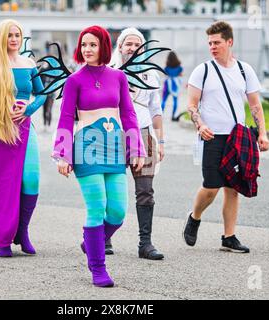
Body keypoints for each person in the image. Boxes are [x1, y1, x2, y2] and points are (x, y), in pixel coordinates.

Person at [52, 25, 146, 287]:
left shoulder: (118, 77)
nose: (87, 49)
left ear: (103, 46)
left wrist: (136, 147)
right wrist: (63, 154)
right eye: (84, 45)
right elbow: (66, 117)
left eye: (92, 44)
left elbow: (128, 114)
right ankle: (98, 268)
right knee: (96, 208)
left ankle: (91, 241)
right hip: (87, 149)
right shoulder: (74, 80)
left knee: (117, 212)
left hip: (115, 147)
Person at [183, 21, 269, 253]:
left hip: (237, 137)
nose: (212, 46)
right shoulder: (203, 70)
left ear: (229, 42)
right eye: (210, 43)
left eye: (217, 42)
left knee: (233, 188)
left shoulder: (244, 70)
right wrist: (199, 124)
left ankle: (228, 237)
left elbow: (255, 106)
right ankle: (195, 216)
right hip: (212, 137)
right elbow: (191, 106)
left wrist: (263, 133)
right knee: (211, 188)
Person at [0, 19, 47, 258]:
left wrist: (29, 108)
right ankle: (3, 238)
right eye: (9, 35)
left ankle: (22, 232)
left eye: (17, 35)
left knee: (31, 179)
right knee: (1, 185)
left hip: (24, 128)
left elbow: (43, 94)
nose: (14, 39)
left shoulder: (29, 63)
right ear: (2, 38)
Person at [108, 27, 165, 260]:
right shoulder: (109, 71)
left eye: (136, 44)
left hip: (142, 134)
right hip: (114, 134)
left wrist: (160, 141)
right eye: (128, 44)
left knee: (145, 190)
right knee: (111, 188)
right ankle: (103, 238)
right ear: (119, 47)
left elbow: (156, 110)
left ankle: (145, 243)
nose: (132, 48)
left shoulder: (151, 74)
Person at [161, 51, 183, 121]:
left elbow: (165, 74)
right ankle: (173, 116)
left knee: (164, 100)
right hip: (175, 84)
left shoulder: (166, 67)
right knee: (175, 101)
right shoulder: (179, 67)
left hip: (167, 83)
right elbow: (180, 75)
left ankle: (160, 115)